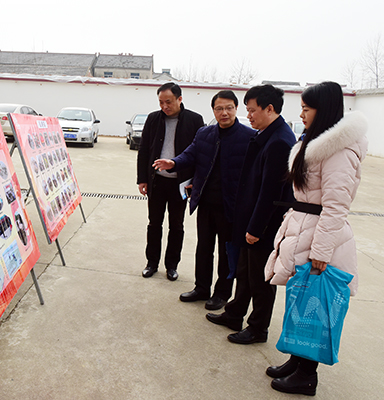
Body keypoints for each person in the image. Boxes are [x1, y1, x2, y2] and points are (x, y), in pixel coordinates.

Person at [263, 81, 368, 396]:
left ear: (323, 111)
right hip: (304, 227)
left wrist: (321, 251)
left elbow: (336, 206)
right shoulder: (314, 143)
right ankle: (297, 361)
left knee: (314, 306)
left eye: (306, 109)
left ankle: (307, 375)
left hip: (322, 236)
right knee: (300, 299)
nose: (302, 114)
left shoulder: (340, 151)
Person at [206, 84, 296, 344]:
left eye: (252, 110)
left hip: (264, 225)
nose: (249, 116)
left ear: (270, 109)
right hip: (250, 218)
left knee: (260, 279)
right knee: (245, 272)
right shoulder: (267, 134)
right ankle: (235, 313)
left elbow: (270, 193)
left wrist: (256, 228)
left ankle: (258, 328)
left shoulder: (279, 142)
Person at [153, 90, 254, 309]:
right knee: (204, 248)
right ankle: (201, 288)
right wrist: (173, 163)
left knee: (226, 252)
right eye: (219, 109)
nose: (224, 113)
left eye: (228, 108)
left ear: (236, 109)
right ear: (213, 111)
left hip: (231, 206)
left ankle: (222, 293)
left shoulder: (249, 137)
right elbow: (189, 154)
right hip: (206, 202)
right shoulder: (204, 133)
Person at [137, 82, 205, 281]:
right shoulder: (153, 119)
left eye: (168, 102)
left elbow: (200, 154)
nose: (164, 106)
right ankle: (151, 263)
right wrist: (142, 179)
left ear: (179, 99)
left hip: (180, 184)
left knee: (176, 226)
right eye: (161, 102)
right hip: (156, 182)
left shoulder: (194, 120)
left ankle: (172, 265)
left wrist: (195, 181)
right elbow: (144, 150)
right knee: (154, 224)